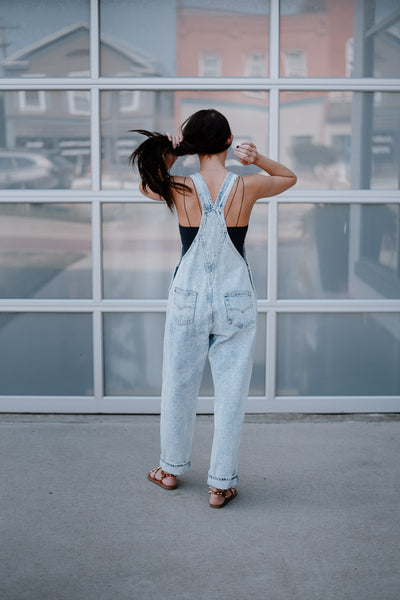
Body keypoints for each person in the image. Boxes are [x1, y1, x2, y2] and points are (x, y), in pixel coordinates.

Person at [130, 109, 296, 508]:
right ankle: (220, 485)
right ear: (228, 142)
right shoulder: (248, 185)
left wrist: (171, 156)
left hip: (187, 298)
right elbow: (288, 177)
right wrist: (256, 159)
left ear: (192, 146)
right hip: (235, 299)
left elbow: (145, 186)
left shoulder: (180, 186)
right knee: (231, 394)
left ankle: (169, 470)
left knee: (178, 386)